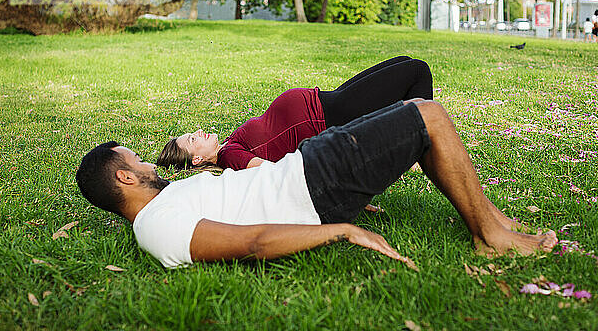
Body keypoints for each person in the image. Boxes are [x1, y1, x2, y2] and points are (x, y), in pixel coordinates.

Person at [76, 99, 558, 269]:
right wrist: (339, 229)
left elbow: (244, 198)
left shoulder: (167, 201)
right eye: (136, 160)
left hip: (307, 168)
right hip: (314, 185)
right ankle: (491, 238)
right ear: (124, 177)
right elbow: (252, 243)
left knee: (416, 119)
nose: (146, 163)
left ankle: (492, 220)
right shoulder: (155, 226)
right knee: (427, 116)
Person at [156, 56, 433, 171]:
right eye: (192, 139)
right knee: (417, 71)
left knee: (404, 63)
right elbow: (273, 173)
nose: (198, 133)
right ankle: (427, 146)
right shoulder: (231, 157)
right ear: (198, 159)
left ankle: (417, 139)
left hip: (326, 100)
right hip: (330, 117)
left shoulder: (229, 144)